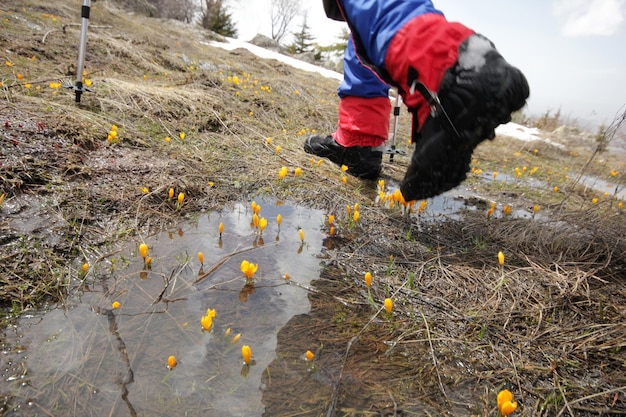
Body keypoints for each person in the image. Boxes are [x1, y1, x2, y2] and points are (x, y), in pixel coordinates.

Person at [304, 0, 529, 201]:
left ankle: (444, 66)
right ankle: (359, 142)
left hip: (446, 70)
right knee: (363, 36)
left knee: (369, 16)